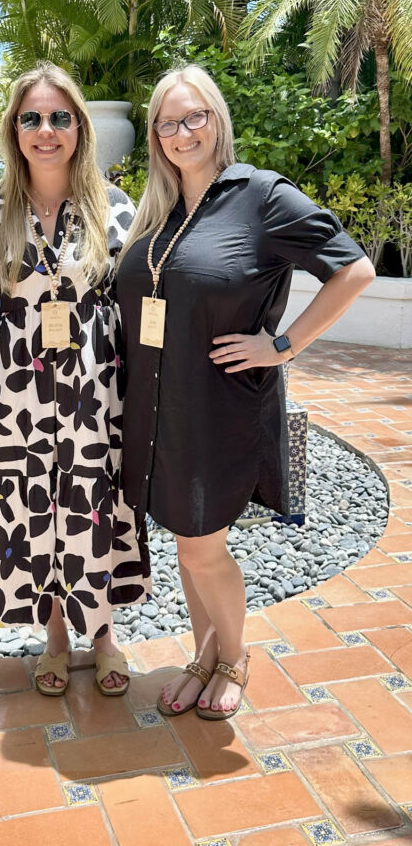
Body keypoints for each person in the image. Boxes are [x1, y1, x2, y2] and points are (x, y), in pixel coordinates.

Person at [115, 64, 375, 719]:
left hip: (220, 407)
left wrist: (283, 344)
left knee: (203, 547)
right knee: (185, 538)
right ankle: (204, 656)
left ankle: (235, 658)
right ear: (155, 134)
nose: (182, 132)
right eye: (168, 122)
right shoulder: (162, 208)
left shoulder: (261, 196)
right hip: (160, 410)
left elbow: (355, 269)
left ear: (217, 119)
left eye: (194, 115)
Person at [0, 62, 151, 696]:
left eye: (59, 117)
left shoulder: (118, 207)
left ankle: (103, 636)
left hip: (94, 387)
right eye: (31, 118)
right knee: (30, 504)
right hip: (15, 386)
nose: (45, 130)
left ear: (78, 127)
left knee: (90, 502)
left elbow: (149, 294)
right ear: (14, 129)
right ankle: (54, 636)